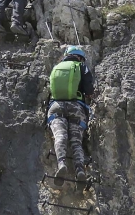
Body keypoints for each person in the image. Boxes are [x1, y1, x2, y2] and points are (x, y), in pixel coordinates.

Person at [47, 46, 94, 187]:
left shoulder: (57, 67)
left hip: (56, 106)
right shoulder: (81, 67)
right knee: (76, 141)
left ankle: (61, 163)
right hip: (76, 107)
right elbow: (89, 89)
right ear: (79, 57)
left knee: (60, 136)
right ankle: (79, 169)